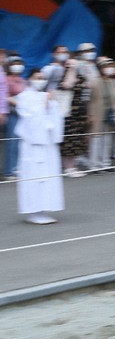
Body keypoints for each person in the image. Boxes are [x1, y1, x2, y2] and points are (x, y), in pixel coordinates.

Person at [14, 70, 65, 224]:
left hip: (48, 144)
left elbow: (56, 117)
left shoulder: (45, 96)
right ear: (29, 79)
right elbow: (29, 120)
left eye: (42, 78)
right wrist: (44, 106)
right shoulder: (24, 97)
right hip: (33, 145)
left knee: (48, 177)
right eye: (37, 78)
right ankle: (33, 211)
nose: (40, 81)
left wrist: (50, 105)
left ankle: (44, 209)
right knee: (35, 177)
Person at [87, 58, 115, 172]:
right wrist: (91, 114)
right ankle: (94, 165)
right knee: (96, 139)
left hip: (110, 113)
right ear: (101, 68)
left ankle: (105, 163)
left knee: (108, 139)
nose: (109, 68)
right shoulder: (95, 81)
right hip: (97, 113)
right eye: (107, 66)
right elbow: (90, 99)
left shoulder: (113, 82)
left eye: (111, 66)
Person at [4, 54, 27, 179]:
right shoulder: (6, 79)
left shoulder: (23, 80)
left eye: (19, 63)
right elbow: (4, 96)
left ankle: (17, 167)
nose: (17, 66)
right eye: (14, 64)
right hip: (12, 113)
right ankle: (9, 170)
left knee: (19, 142)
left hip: (23, 114)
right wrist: (17, 102)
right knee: (12, 142)